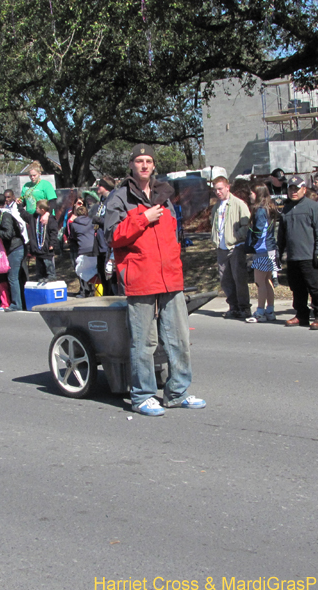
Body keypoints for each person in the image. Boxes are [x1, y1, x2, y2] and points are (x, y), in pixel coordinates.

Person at [105, 143, 205, 416]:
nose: (144, 165)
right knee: (144, 342)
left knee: (179, 339)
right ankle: (142, 396)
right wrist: (142, 218)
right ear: (131, 165)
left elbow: (173, 236)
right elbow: (111, 236)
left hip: (170, 277)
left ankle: (177, 392)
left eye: (149, 160)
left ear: (154, 165)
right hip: (140, 278)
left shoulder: (165, 196)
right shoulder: (119, 198)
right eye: (139, 160)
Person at [278, 176, 318, 330]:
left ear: (304, 189)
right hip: (293, 256)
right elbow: (282, 235)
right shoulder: (285, 209)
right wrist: (279, 253)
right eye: (291, 189)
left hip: (309, 255)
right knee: (297, 287)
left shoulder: (313, 207)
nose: (293, 192)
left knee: (314, 287)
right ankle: (301, 315)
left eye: (297, 188)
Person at [210, 176, 251, 319]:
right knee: (225, 279)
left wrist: (236, 237)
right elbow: (214, 224)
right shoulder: (216, 206)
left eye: (220, 189)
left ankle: (244, 307)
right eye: (215, 190)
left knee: (239, 278)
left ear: (228, 187)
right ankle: (233, 306)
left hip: (235, 247)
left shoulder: (238, 204)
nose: (218, 192)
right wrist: (215, 239)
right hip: (221, 248)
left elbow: (246, 225)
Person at [245, 185, 279, 322]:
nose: (250, 196)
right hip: (271, 248)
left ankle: (260, 311)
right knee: (267, 280)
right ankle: (270, 310)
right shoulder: (270, 208)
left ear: (257, 194)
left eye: (251, 193)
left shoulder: (259, 210)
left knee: (260, 282)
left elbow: (258, 231)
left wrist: (251, 241)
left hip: (262, 249)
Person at [0, 195, 25, 311]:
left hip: (15, 248)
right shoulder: (4, 217)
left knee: (13, 277)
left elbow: (8, 234)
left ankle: (17, 304)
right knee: (15, 277)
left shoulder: (5, 217)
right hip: (14, 248)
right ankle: (19, 302)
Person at [22, 199, 58, 282]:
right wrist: (20, 207)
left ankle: (51, 275)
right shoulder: (34, 218)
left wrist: (52, 244)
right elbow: (25, 215)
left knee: (48, 263)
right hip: (38, 248)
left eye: (37, 208)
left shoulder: (51, 219)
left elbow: (53, 232)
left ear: (42, 209)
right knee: (39, 264)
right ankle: (40, 276)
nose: (35, 209)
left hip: (46, 247)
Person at [91, 176, 115, 295]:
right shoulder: (102, 200)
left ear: (104, 186)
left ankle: (111, 294)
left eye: (99, 185)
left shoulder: (113, 199)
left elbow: (113, 220)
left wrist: (99, 220)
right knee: (101, 270)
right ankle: (106, 293)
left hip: (108, 242)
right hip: (99, 241)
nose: (97, 188)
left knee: (109, 272)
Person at [69, 204, 96, 298]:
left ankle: (84, 291)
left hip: (82, 249)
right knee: (94, 270)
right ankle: (94, 290)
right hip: (93, 248)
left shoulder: (73, 224)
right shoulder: (92, 222)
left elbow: (73, 236)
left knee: (82, 271)